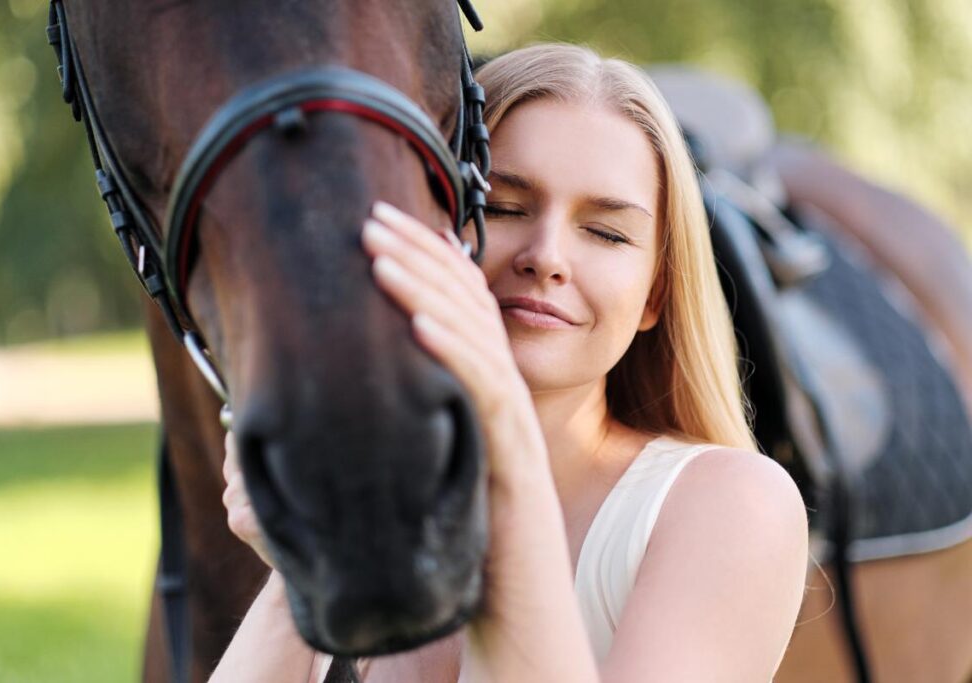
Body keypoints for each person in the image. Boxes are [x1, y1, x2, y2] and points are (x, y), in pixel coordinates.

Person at [212, 43, 809, 682]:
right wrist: (300, 568)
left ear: (655, 295)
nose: (547, 256)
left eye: (606, 232)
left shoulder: (731, 504)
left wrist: (507, 453)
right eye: (502, 207)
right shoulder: (385, 501)